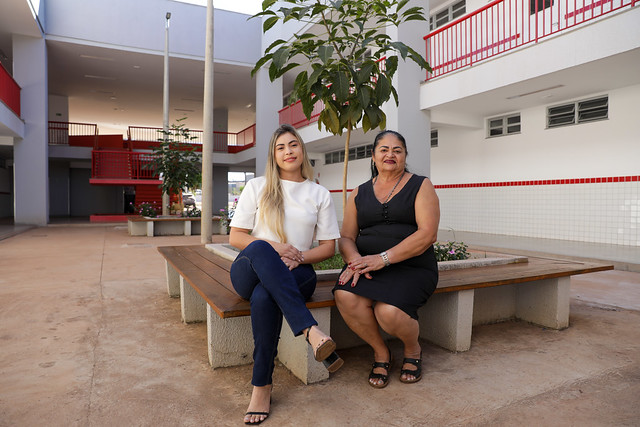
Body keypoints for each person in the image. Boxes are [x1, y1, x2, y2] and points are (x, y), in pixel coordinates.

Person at [229, 124, 342, 425]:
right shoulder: (257, 187)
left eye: (293, 145)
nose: (288, 151)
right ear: (274, 155)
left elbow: (329, 247)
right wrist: (277, 248)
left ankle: (261, 386)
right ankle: (310, 331)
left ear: (302, 150)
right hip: (249, 269)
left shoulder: (319, 194)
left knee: (266, 296)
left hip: (297, 272)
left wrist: (300, 256)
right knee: (263, 249)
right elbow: (237, 237)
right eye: (281, 147)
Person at [333, 130, 440, 389]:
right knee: (345, 295)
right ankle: (381, 353)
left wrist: (383, 259)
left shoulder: (421, 185)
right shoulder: (358, 192)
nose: (390, 154)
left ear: (404, 156)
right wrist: (355, 260)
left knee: (388, 312)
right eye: (384, 149)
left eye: (397, 150)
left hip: (411, 266)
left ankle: (413, 350)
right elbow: (346, 237)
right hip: (369, 265)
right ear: (373, 156)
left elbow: (428, 234)